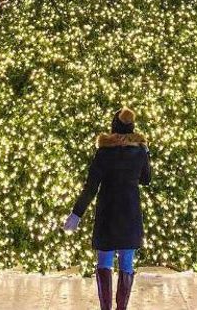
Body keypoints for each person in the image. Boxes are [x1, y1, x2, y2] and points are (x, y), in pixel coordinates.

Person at [63, 107, 152, 310]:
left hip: (107, 213)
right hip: (130, 213)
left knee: (104, 262)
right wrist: (146, 153)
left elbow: (91, 187)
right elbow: (146, 180)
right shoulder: (139, 152)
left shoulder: (104, 152)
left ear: (114, 128)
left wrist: (76, 213)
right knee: (126, 263)